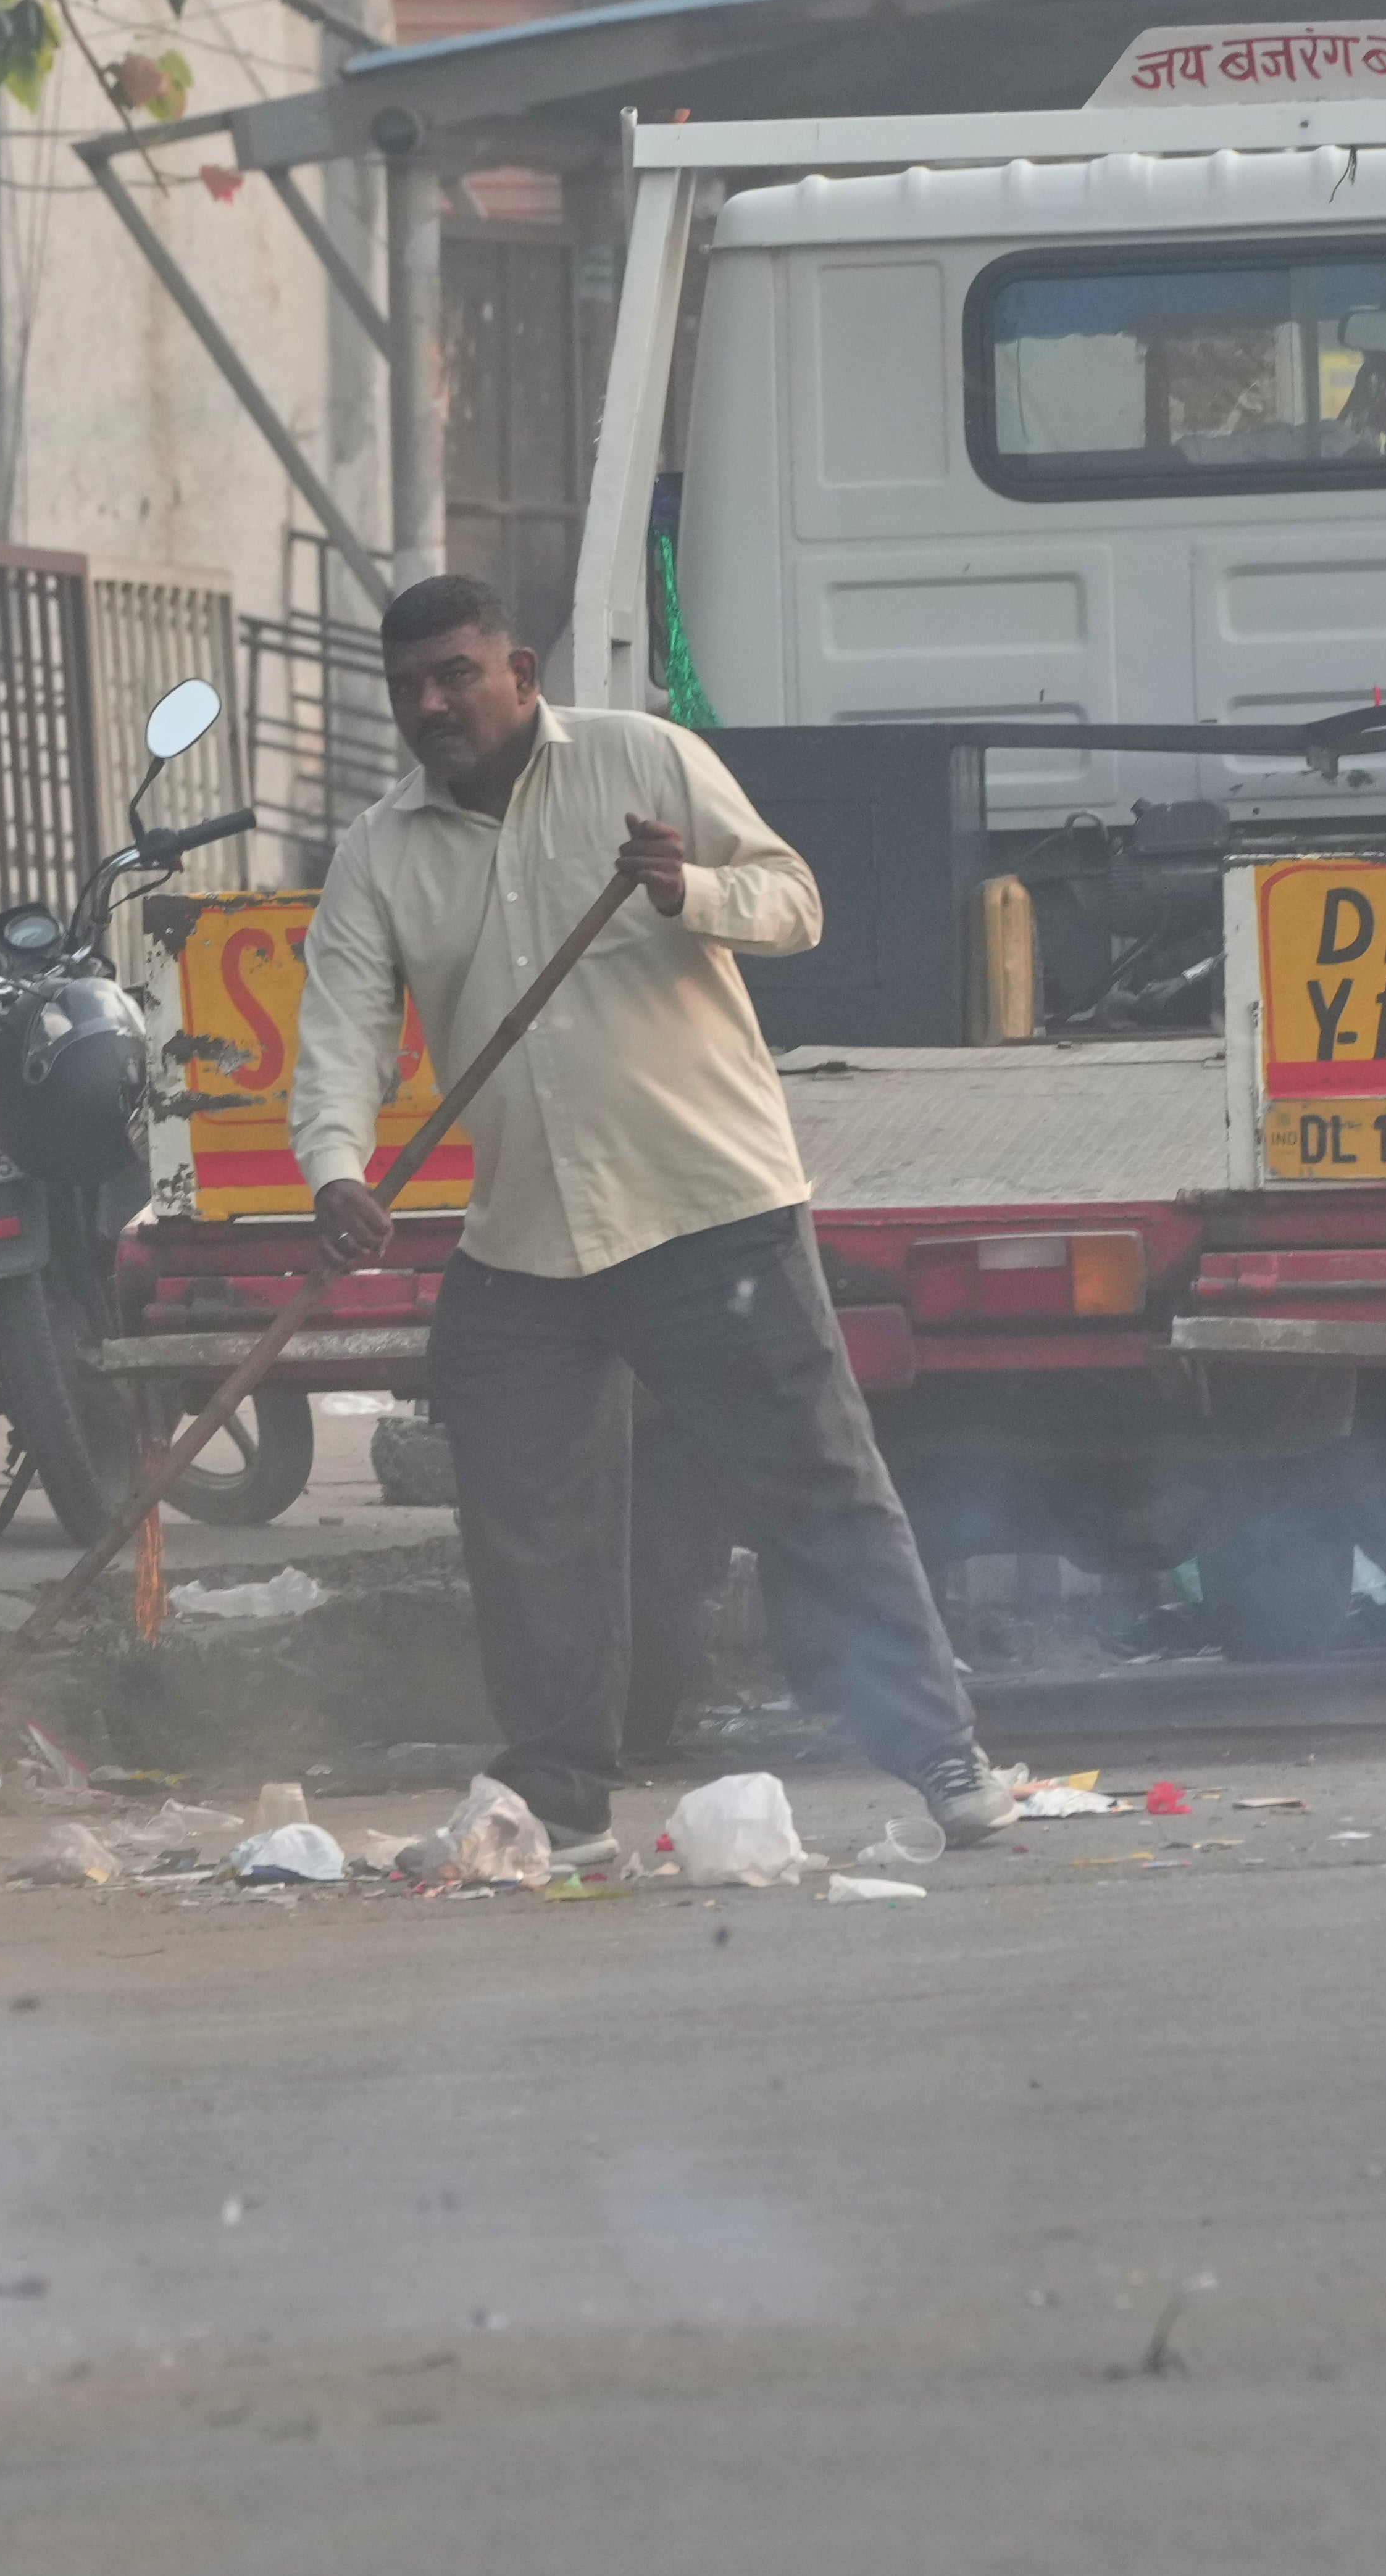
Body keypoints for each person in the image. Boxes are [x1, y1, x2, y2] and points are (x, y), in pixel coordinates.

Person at [294, 573, 1020, 1853]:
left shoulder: (639, 758)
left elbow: (794, 900)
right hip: (524, 1237)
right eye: (408, 686)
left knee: (820, 1493)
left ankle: (945, 1755)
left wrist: (693, 893)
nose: (431, 705)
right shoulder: (378, 855)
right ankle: (561, 1798)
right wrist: (338, 1171)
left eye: (456, 674)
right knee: (530, 1532)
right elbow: (341, 1035)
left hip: (709, 1211)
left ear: (520, 671)